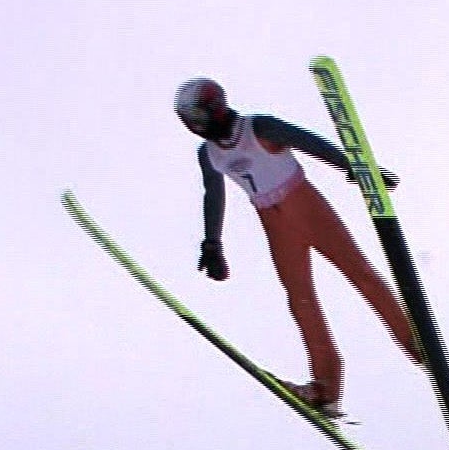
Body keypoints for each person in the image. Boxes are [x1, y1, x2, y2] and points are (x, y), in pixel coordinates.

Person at [175, 76, 423, 420]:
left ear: (215, 109)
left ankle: (415, 341)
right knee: (300, 299)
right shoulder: (209, 154)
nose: (196, 128)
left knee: (357, 271)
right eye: (190, 123)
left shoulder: (258, 127)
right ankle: (326, 390)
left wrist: (358, 169)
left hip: (304, 205)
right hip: (272, 221)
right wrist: (213, 244)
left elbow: (310, 144)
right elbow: (213, 195)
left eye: (198, 119)